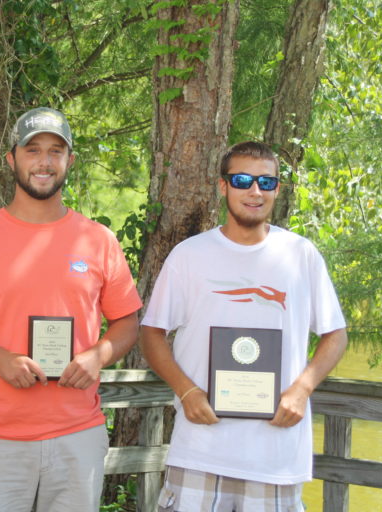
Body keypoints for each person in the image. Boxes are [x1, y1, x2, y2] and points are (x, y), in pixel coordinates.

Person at [0, 107, 142, 512]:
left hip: (78, 434)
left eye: (56, 151)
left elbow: (127, 322)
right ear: (12, 159)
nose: (44, 162)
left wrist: (100, 354)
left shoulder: (99, 241)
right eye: (32, 150)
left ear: (69, 161)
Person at [140, 141, 348, 512]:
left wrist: (302, 389)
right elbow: (152, 332)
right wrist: (186, 391)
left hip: (275, 457)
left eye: (266, 183)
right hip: (200, 451)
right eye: (242, 180)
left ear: (277, 189)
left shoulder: (301, 255)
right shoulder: (189, 256)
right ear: (223, 187)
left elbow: (335, 334)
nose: (255, 191)